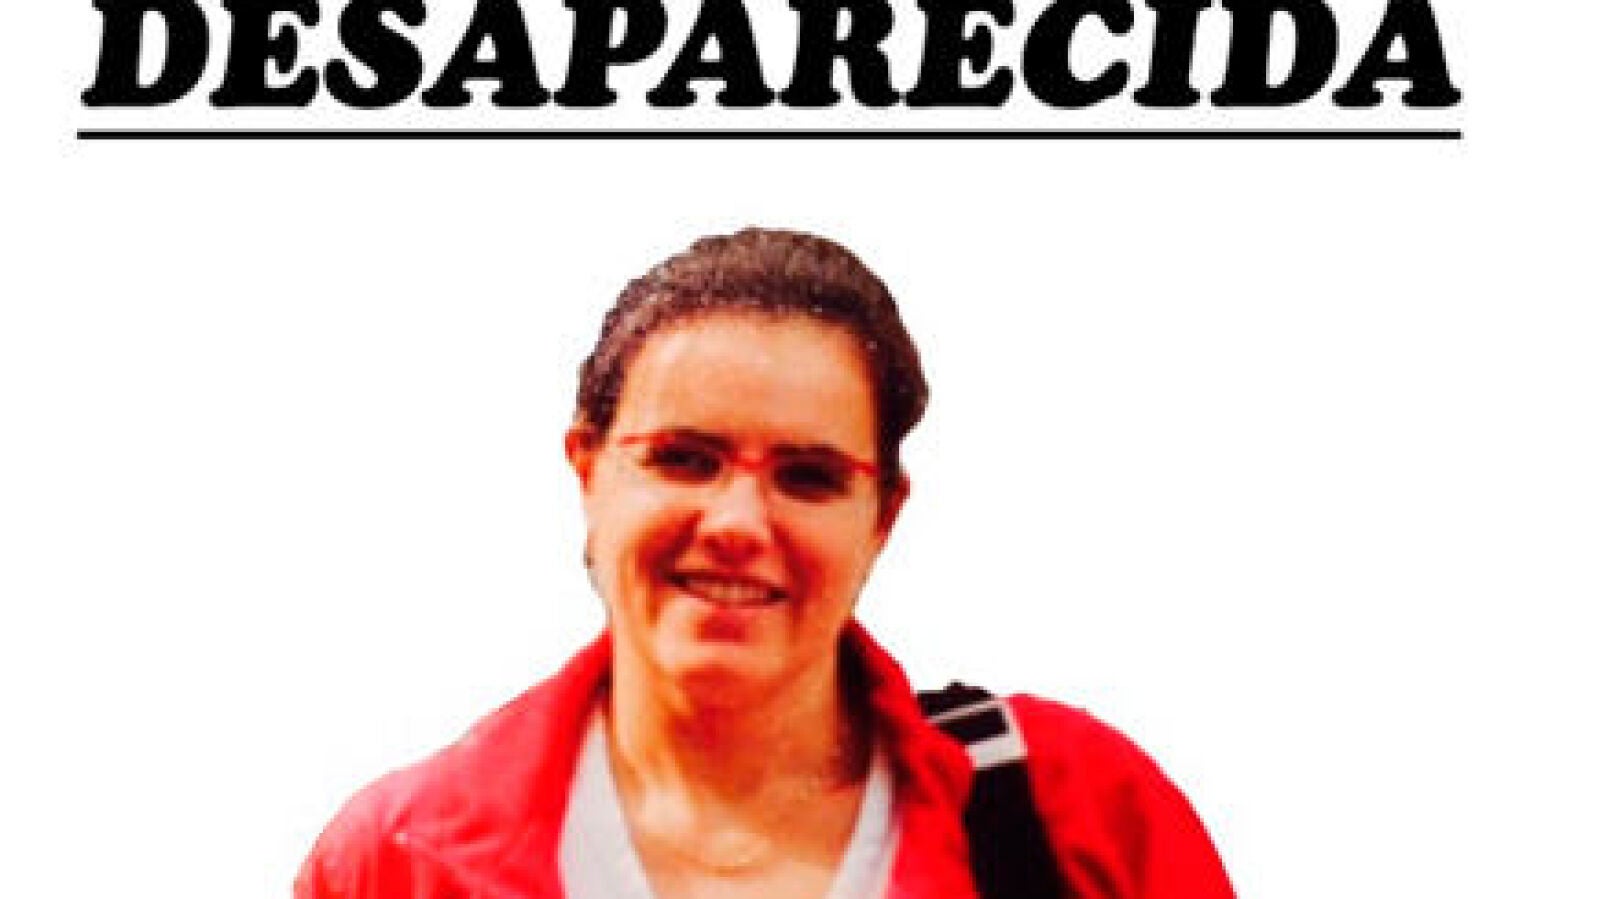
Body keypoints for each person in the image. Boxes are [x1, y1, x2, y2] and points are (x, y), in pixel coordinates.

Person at [295, 229, 1234, 899]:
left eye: (809, 477)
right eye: (684, 459)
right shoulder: (395, 860)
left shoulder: (1074, 815)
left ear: (883, 515)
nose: (739, 522)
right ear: (588, 470)